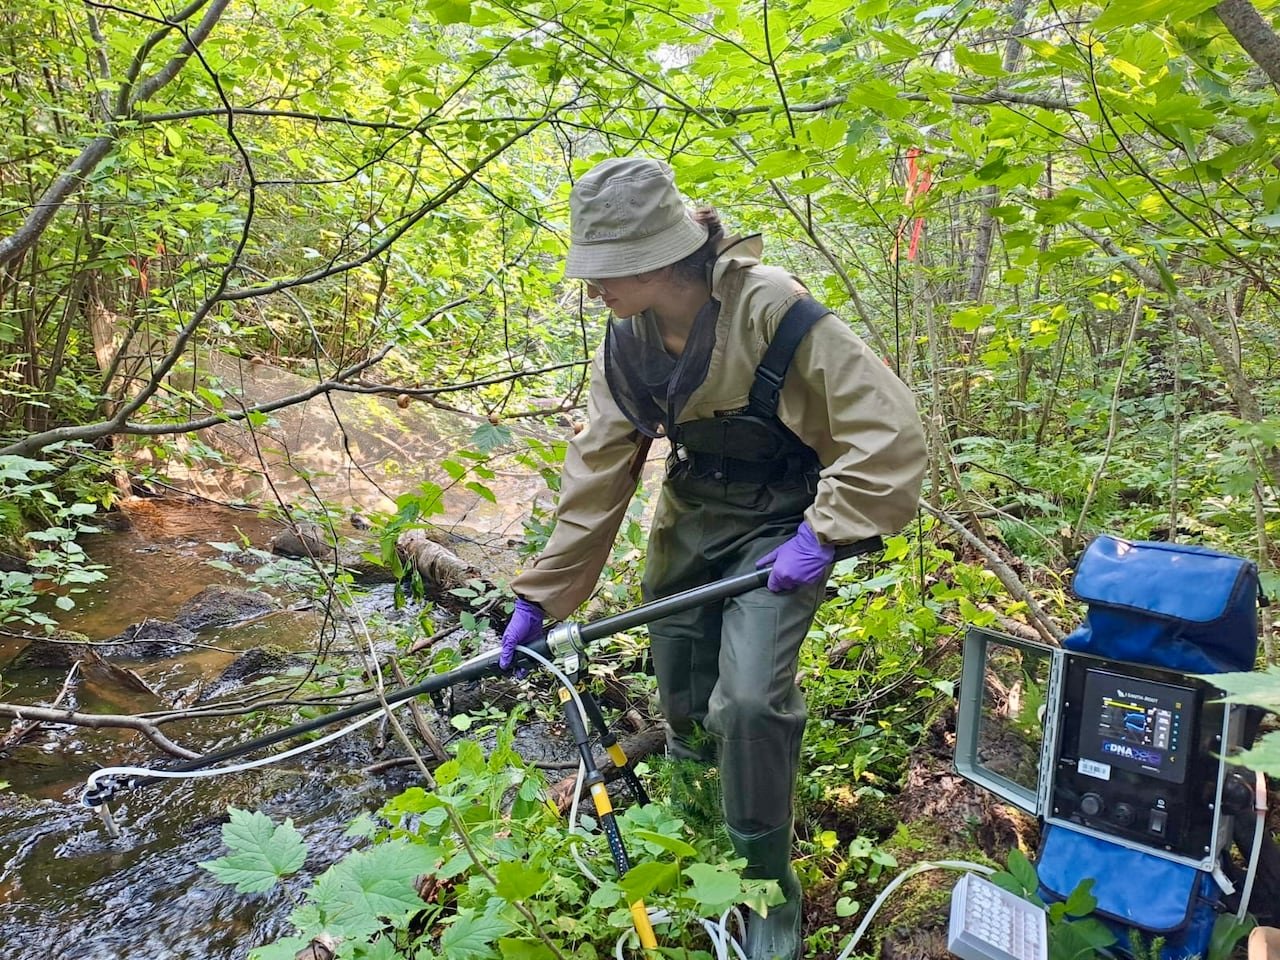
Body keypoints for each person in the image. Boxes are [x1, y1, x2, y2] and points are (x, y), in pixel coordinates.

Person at [500, 157, 926, 960]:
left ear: (661, 259)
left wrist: (824, 533)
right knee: (686, 690)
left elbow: (889, 432)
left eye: (607, 271)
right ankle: (701, 832)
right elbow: (599, 468)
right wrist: (543, 599)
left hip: (783, 522)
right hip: (692, 515)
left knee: (750, 705)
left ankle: (766, 891)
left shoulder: (773, 310)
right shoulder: (624, 342)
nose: (593, 288)